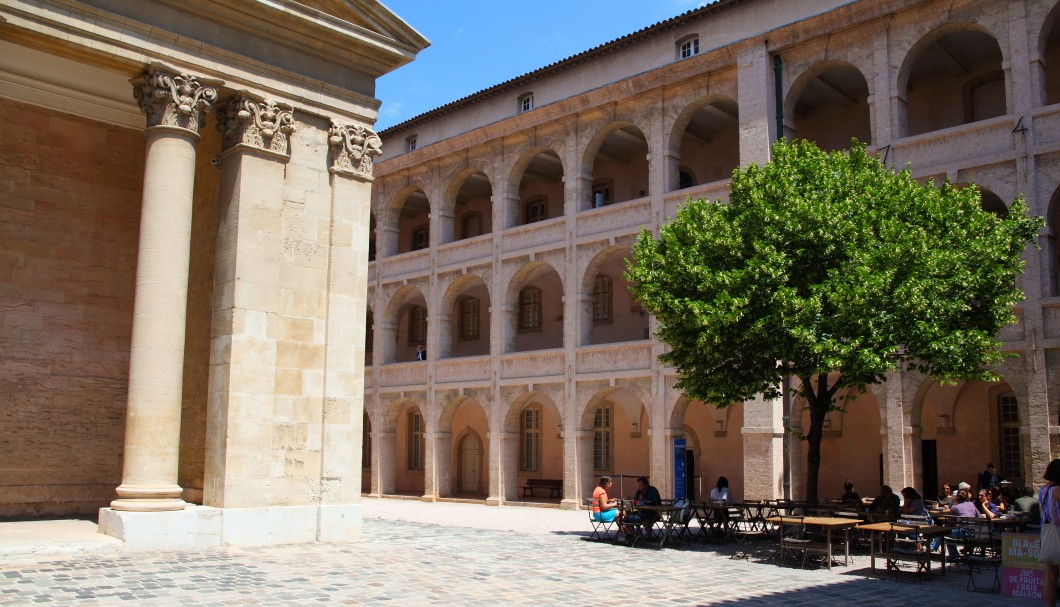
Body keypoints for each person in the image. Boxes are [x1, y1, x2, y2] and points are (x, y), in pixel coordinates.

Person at [1040, 460, 1060, 606]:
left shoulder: (1043, 489)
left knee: (1050, 576)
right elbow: (1057, 518)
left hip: (1046, 533)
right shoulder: (1058, 490)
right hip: (1058, 533)